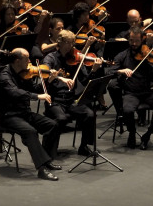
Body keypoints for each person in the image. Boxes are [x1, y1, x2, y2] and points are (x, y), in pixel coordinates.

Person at [0, 48, 62, 181]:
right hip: (10, 116)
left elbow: (35, 89)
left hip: (24, 113)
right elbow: (15, 93)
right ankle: (42, 169)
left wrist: (49, 81)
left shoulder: (24, 73)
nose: (30, 61)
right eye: (27, 58)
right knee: (30, 131)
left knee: (52, 125)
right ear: (18, 60)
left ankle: (46, 159)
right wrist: (37, 96)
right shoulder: (4, 76)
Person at [42, 30, 106, 160]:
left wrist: (93, 71)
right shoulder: (51, 57)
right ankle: (48, 150)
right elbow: (46, 71)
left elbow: (84, 80)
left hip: (71, 100)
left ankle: (84, 147)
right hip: (54, 100)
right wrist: (57, 76)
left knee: (89, 114)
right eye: (69, 43)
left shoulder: (76, 58)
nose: (73, 46)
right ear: (61, 43)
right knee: (61, 118)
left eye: (73, 42)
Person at [108, 27, 153, 150]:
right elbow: (110, 70)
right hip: (130, 93)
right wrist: (121, 70)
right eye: (131, 40)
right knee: (127, 111)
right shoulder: (123, 55)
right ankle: (132, 133)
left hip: (147, 93)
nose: (134, 44)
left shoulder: (148, 55)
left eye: (137, 41)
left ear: (142, 39)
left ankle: (147, 134)